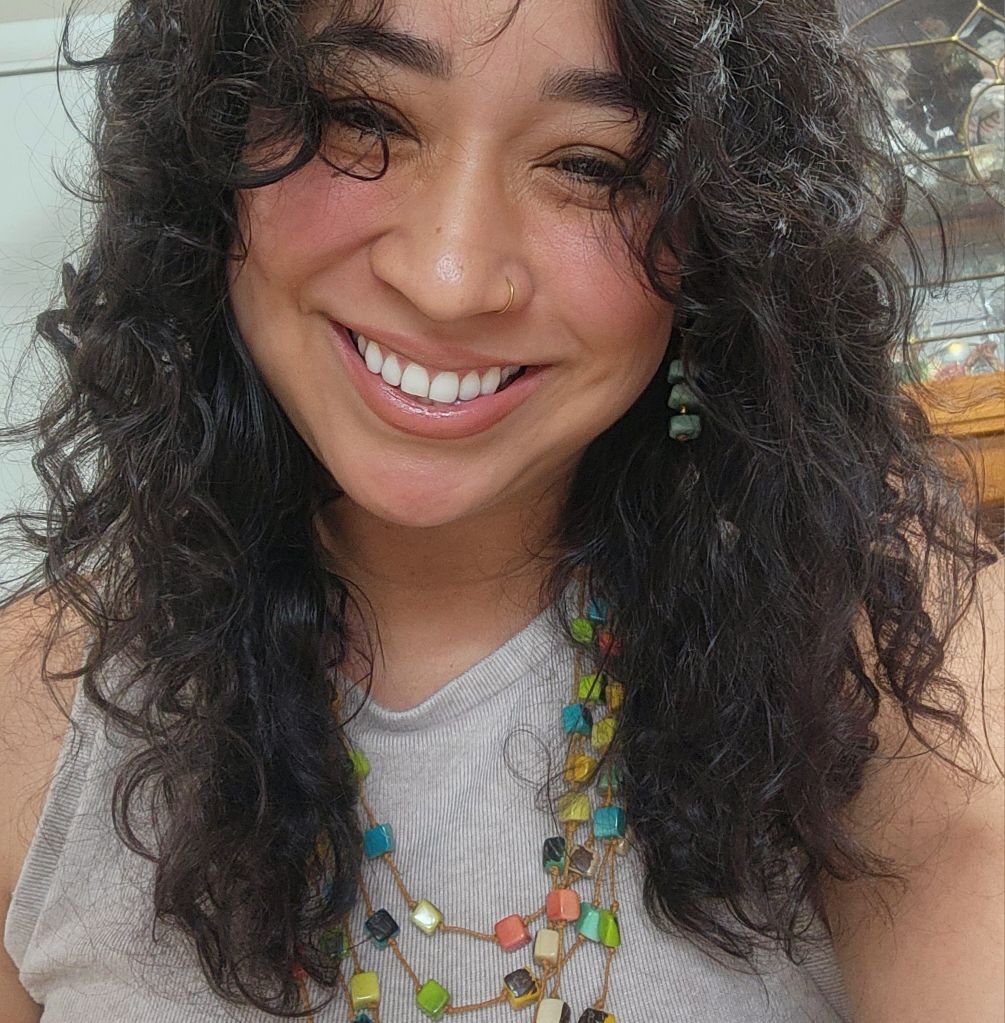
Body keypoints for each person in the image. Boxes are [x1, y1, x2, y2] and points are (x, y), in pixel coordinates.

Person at [1, 0, 1002, 1020]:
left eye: (592, 168)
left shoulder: (878, 656)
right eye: (361, 118)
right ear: (207, 148)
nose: (449, 278)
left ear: (723, 239)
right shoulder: (35, 713)